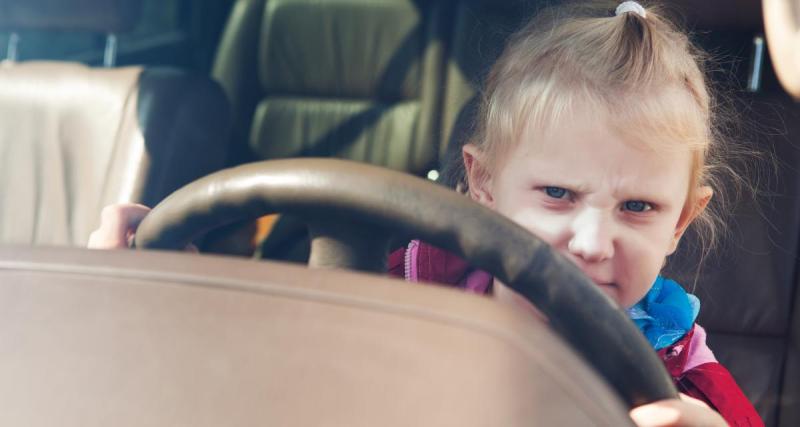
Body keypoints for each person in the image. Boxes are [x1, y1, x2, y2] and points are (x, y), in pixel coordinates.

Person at [88, 1, 762, 425]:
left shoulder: (680, 369)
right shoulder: (405, 289)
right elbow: (272, 363)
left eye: (638, 207)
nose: (590, 239)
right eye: (557, 194)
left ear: (680, 222)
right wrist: (163, 299)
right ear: (484, 186)